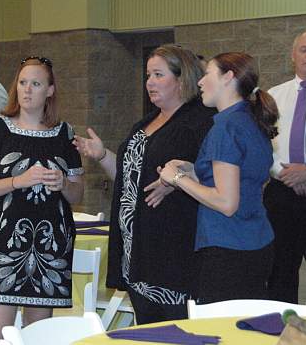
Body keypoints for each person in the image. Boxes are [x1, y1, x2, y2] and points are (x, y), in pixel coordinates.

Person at [73, 45, 214, 323]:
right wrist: (101, 155)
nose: (149, 82)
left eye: (158, 74)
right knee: (147, 329)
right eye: (148, 75)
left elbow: (213, 174)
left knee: (175, 329)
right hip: (137, 252)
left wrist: (176, 181)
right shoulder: (146, 122)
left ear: (181, 78)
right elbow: (130, 178)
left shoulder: (199, 121)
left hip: (172, 252)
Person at [0, 57, 84, 345]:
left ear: (50, 90)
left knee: (38, 336)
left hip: (50, 245)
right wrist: (17, 181)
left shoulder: (64, 133)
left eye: (36, 83)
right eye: (22, 83)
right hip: (2, 242)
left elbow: (77, 195)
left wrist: (64, 184)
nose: (27, 90)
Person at [160, 52, 278, 304]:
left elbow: (226, 202)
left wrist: (178, 178)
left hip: (228, 247)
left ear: (228, 77)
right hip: (257, 242)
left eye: (207, 75)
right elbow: (243, 177)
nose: (200, 82)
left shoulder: (226, 127)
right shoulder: (250, 119)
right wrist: (195, 170)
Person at [264, 31, 306, 303]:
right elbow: (264, 142)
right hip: (281, 193)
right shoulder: (273, 96)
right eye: (304, 50)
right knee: (280, 273)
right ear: (293, 55)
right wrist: (285, 175)